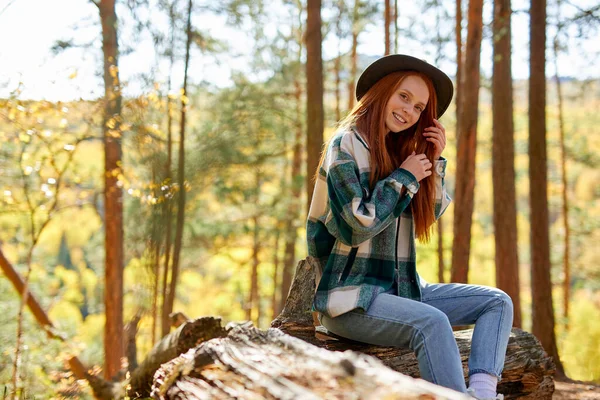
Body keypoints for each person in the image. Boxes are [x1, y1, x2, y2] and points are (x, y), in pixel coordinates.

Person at [306, 54, 513, 400]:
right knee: (432, 323)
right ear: (382, 91)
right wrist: (404, 178)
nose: (409, 111)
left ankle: (481, 394)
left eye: (419, 107)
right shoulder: (345, 145)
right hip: (349, 299)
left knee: (498, 303)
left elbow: (426, 218)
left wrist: (433, 159)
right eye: (404, 96)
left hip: (401, 289)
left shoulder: (396, 149)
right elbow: (356, 225)